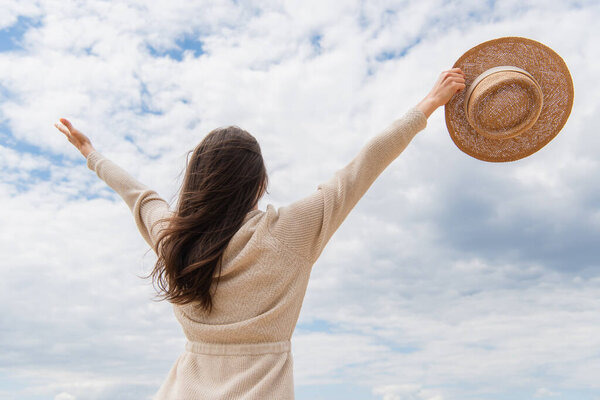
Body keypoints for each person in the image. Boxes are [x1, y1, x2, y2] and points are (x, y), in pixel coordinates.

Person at [54, 67, 466, 399]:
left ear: (198, 180)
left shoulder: (174, 240)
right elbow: (363, 166)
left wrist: (91, 154)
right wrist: (428, 104)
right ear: (256, 182)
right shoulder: (289, 232)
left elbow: (138, 195)